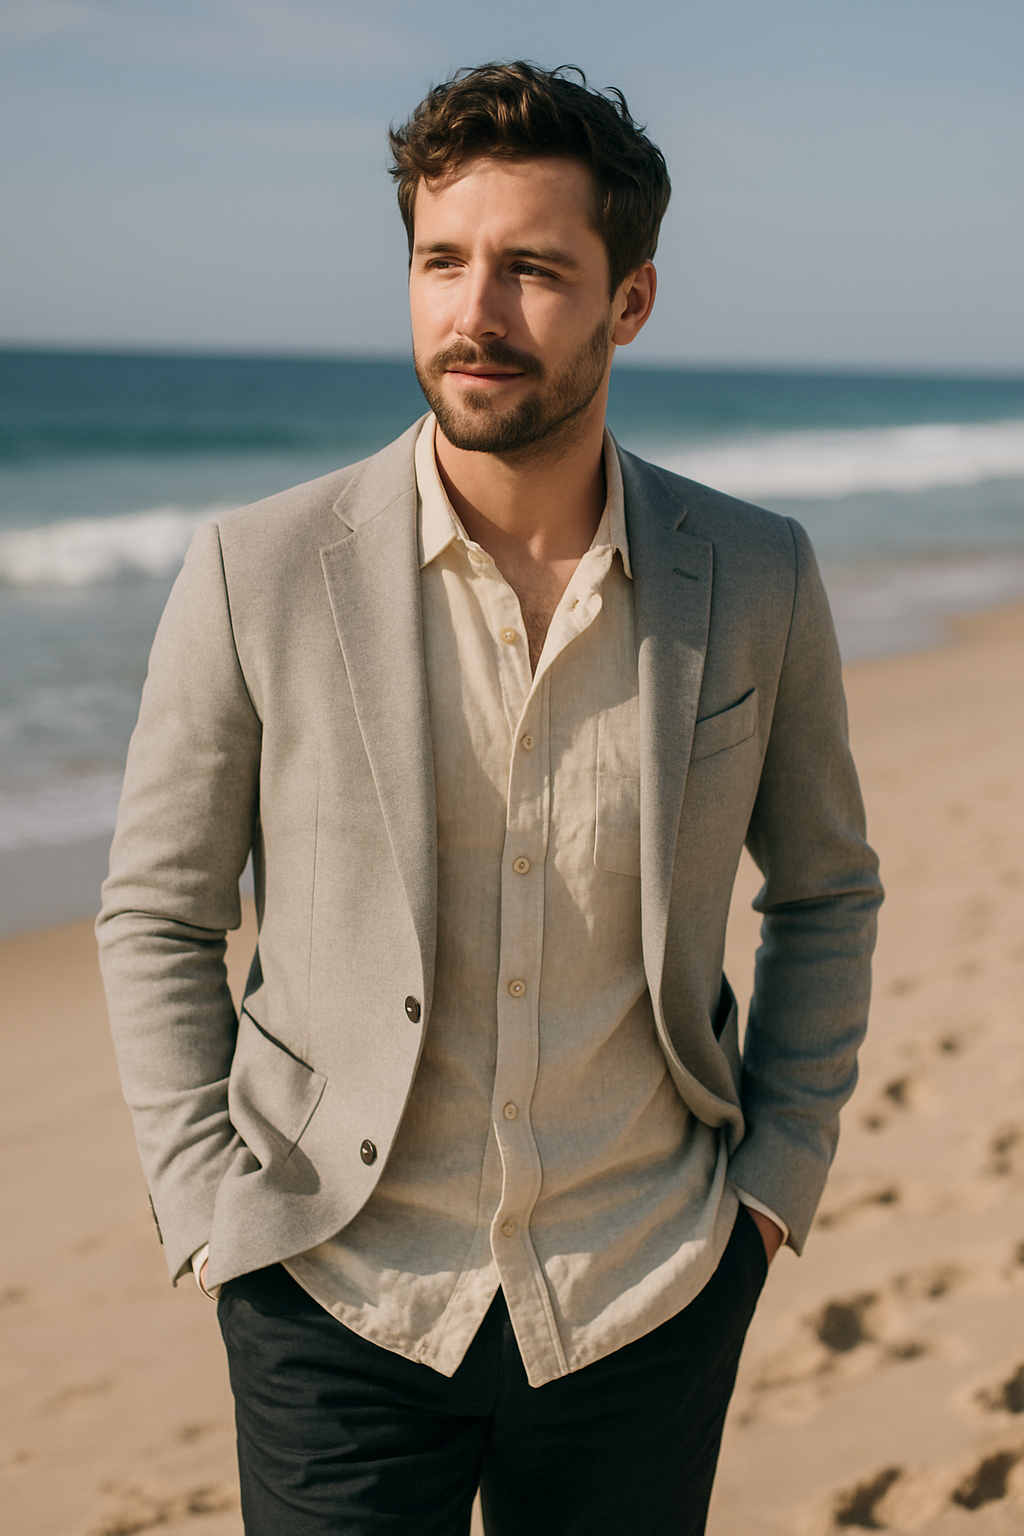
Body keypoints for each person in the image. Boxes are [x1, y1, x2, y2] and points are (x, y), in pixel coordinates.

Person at [97, 60, 882, 1536]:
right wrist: (206, 1209)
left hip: (645, 1287)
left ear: (630, 301)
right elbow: (157, 910)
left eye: (533, 269)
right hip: (333, 1296)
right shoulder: (258, 569)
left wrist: (777, 1182)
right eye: (442, 261)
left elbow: (829, 887)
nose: (476, 312)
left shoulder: (754, 574)